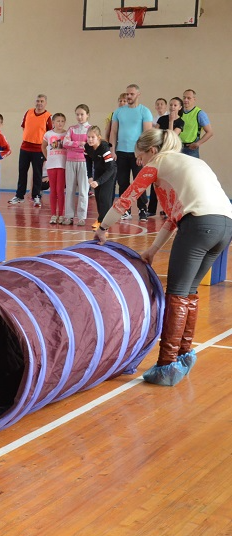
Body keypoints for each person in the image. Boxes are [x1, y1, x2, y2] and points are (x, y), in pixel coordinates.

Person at [94, 129, 232, 386]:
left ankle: (167, 364)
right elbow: (173, 218)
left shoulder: (157, 164)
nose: (139, 163)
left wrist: (103, 228)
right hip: (224, 227)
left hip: (200, 225)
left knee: (177, 294)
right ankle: (184, 355)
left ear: (153, 152)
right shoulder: (190, 161)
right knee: (189, 292)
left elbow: (126, 200)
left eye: (140, 157)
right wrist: (153, 250)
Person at [109, 83, 153, 222]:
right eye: (127, 94)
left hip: (137, 154)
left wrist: (142, 153)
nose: (128, 96)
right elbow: (113, 131)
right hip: (121, 152)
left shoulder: (144, 111)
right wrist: (112, 150)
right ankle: (125, 209)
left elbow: (147, 134)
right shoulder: (119, 112)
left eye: (131, 94)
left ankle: (142, 209)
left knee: (139, 182)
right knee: (122, 182)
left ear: (138, 95)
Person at [9, 94, 52, 207]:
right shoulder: (28, 112)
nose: (39, 103)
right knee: (22, 172)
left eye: (42, 101)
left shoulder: (48, 116)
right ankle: (19, 195)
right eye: (38, 101)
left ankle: (36, 196)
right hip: (25, 147)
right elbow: (24, 127)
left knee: (37, 174)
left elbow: (49, 134)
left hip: (38, 149)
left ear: (45, 103)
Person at [62, 104, 92, 227]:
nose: (79, 117)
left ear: (87, 115)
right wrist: (79, 143)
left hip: (84, 162)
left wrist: (76, 145)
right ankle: (68, 216)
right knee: (69, 190)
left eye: (82, 114)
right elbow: (65, 142)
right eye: (77, 114)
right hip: (70, 162)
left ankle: (81, 217)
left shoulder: (90, 129)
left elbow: (89, 146)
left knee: (84, 191)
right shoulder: (71, 129)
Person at [84, 126, 116, 229]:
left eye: (93, 137)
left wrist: (98, 182)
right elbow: (88, 162)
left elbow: (110, 169)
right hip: (98, 171)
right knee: (97, 197)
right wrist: (90, 176)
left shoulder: (104, 148)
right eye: (88, 137)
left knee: (104, 197)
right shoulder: (87, 147)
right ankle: (101, 219)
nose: (90, 139)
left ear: (99, 137)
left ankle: (103, 224)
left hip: (109, 172)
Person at [42, 113, 67, 225]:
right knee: (53, 190)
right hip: (51, 165)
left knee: (60, 190)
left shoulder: (67, 134)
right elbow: (43, 146)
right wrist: (48, 157)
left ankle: (61, 214)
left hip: (62, 165)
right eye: (58, 121)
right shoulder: (48, 134)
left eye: (62, 121)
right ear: (53, 122)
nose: (60, 123)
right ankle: (53, 214)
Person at [179, 89, 213, 158]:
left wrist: (198, 143)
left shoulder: (199, 113)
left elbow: (210, 132)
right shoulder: (179, 112)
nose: (185, 100)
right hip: (178, 147)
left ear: (194, 99)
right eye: (184, 97)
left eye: (188, 98)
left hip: (191, 149)